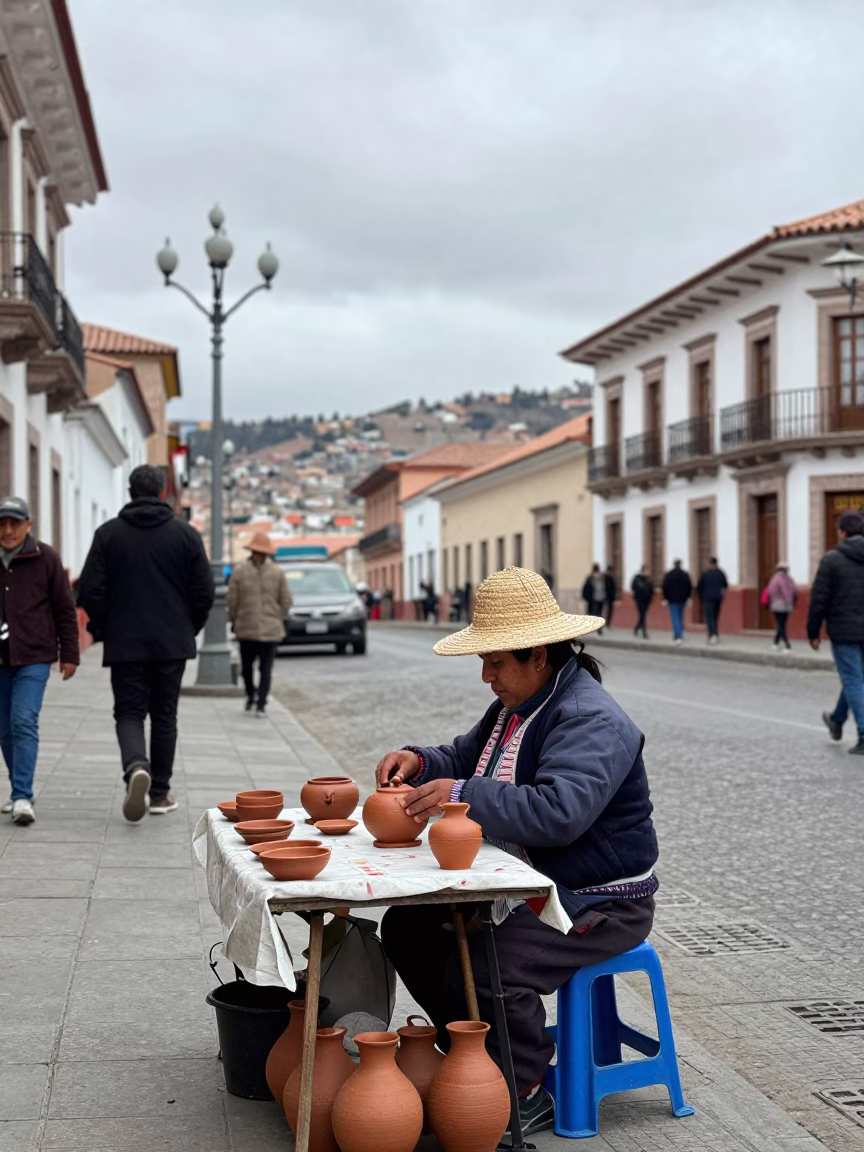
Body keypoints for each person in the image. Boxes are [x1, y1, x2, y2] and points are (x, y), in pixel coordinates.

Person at [376, 567, 657, 1140]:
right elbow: (467, 756)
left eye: (497, 662)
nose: (486, 676)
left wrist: (462, 795)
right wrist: (422, 763)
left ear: (539, 655)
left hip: (599, 898)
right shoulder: (518, 705)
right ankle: (474, 1056)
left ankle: (523, 1083)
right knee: (409, 929)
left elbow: (560, 812)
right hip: (532, 882)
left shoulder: (590, 718)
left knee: (489, 962)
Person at [78, 465, 215, 820]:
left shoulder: (108, 534)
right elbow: (204, 593)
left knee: (128, 712)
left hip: (125, 642)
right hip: (172, 642)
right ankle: (159, 792)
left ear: (129, 492)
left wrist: (108, 626)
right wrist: (188, 627)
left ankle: (136, 765)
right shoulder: (186, 535)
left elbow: (89, 589)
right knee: (165, 715)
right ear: (164, 491)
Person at [0, 497, 78, 824]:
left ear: (28, 525)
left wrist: (70, 654)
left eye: (14, 524)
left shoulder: (45, 558)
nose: (7, 530)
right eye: (2, 524)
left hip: (34, 656)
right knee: (4, 729)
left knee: (22, 720)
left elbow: (64, 609)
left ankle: (21, 796)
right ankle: (19, 788)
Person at [807, 510, 864, 755]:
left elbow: (819, 599)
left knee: (853, 678)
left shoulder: (831, 560)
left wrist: (812, 631)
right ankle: (837, 720)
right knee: (856, 678)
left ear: (842, 532)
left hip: (843, 631)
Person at [226, 531, 291, 716]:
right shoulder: (240, 571)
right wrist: (234, 618)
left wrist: (278, 617)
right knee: (247, 668)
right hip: (247, 628)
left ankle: (261, 702)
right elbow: (232, 599)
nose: (259, 555)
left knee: (265, 668)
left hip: (268, 629)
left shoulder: (276, 573)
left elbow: (285, 598)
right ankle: (251, 694)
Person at [696, 557, 728, 645]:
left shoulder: (705, 574)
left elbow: (699, 587)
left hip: (707, 599)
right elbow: (725, 586)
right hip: (718, 598)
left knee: (710, 617)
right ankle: (715, 634)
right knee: (715, 616)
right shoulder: (721, 573)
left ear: (710, 564)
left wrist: (701, 597)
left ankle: (712, 634)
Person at [765, 563, 797, 652]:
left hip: (777, 606)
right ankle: (775, 643)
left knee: (781, 625)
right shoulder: (789, 579)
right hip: (786, 606)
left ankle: (787, 645)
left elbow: (771, 592)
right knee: (782, 625)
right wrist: (790, 603)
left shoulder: (775, 579)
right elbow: (795, 590)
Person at [661, 560, 692, 644]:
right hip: (682, 599)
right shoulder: (685, 575)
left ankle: (678, 636)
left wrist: (665, 598)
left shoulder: (669, 575)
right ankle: (680, 632)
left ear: (674, 565)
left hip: (672, 600)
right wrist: (688, 597)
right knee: (681, 616)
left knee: (675, 618)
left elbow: (665, 587)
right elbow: (689, 586)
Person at [631, 565, 654, 639]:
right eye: (646, 570)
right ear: (643, 570)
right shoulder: (637, 578)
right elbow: (633, 587)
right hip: (639, 599)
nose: (648, 572)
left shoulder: (649, 579)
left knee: (642, 615)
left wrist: (651, 598)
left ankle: (636, 628)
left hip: (647, 600)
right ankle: (644, 632)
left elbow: (651, 589)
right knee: (643, 615)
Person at [581, 564, 606, 631]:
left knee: (592, 613)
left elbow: (585, 588)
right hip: (600, 598)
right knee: (599, 613)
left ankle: (593, 627)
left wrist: (584, 596)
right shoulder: (602, 578)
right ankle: (599, 628)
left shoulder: (590, 578)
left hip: (592, 599)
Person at [603, 565, 617, 629]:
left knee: (608, 610)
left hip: (608, 597)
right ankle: (607, 623)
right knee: (607, 610)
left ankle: (607, 623)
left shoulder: (606, 577)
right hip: (608, 596)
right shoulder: (607, 577)